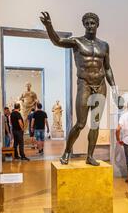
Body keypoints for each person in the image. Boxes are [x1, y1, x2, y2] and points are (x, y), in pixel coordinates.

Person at [40, 11, 122, 166]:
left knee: (95, 124)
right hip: (84, 83)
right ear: (84, 25)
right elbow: (57, 41)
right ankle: (66, 152)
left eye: (92, 23)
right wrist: (49, 26)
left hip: (101, 85)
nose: (90, 26)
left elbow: (107, 68)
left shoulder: (104, 45)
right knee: (80, 123)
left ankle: (90, 156)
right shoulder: (77, 42)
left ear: (97, 25)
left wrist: (115, 90)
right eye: (87, 23)